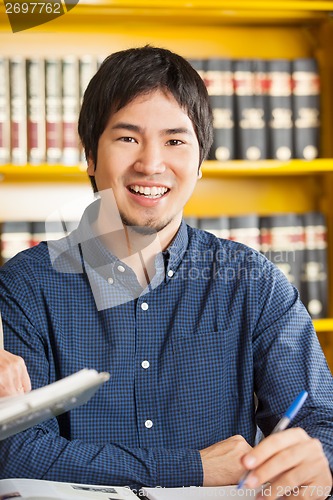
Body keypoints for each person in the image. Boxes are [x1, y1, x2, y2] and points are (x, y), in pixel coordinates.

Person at [0, 46, 332, 497]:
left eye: (175, 141)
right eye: (127, 138)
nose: (151, 164)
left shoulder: (254, 283)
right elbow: (14, 451)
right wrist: (193, 469)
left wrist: (317, 460)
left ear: (199, 163)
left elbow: (320, 423)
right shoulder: (27, 285)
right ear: (91, 156)